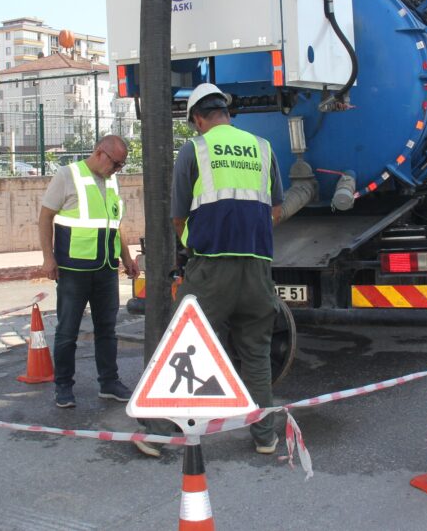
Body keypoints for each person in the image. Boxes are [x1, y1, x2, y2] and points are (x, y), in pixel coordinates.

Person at [135, 83, 285, 457]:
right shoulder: (263, 148)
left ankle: (157, 434)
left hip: (210, 270)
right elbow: (276, 210)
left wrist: (193, 242)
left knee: (184, 347)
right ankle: (265, 436)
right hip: (257, 270)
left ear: (198, 118)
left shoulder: (195, 149)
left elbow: (177, 216)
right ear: (226, 113)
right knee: (256, 354)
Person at [38, 135, 140, 409]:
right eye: (115, 163)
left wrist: (127, 257)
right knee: (67, 330)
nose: (117, 169)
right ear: (99, 153)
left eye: (121, 166)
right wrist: (49, 258)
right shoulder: (67, 175)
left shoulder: (112, 181)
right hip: (74, 269)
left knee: (107, 329)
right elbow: (45, 216)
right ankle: (63, 386)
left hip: (106, 267)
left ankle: (109, 382)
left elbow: (116, 223)